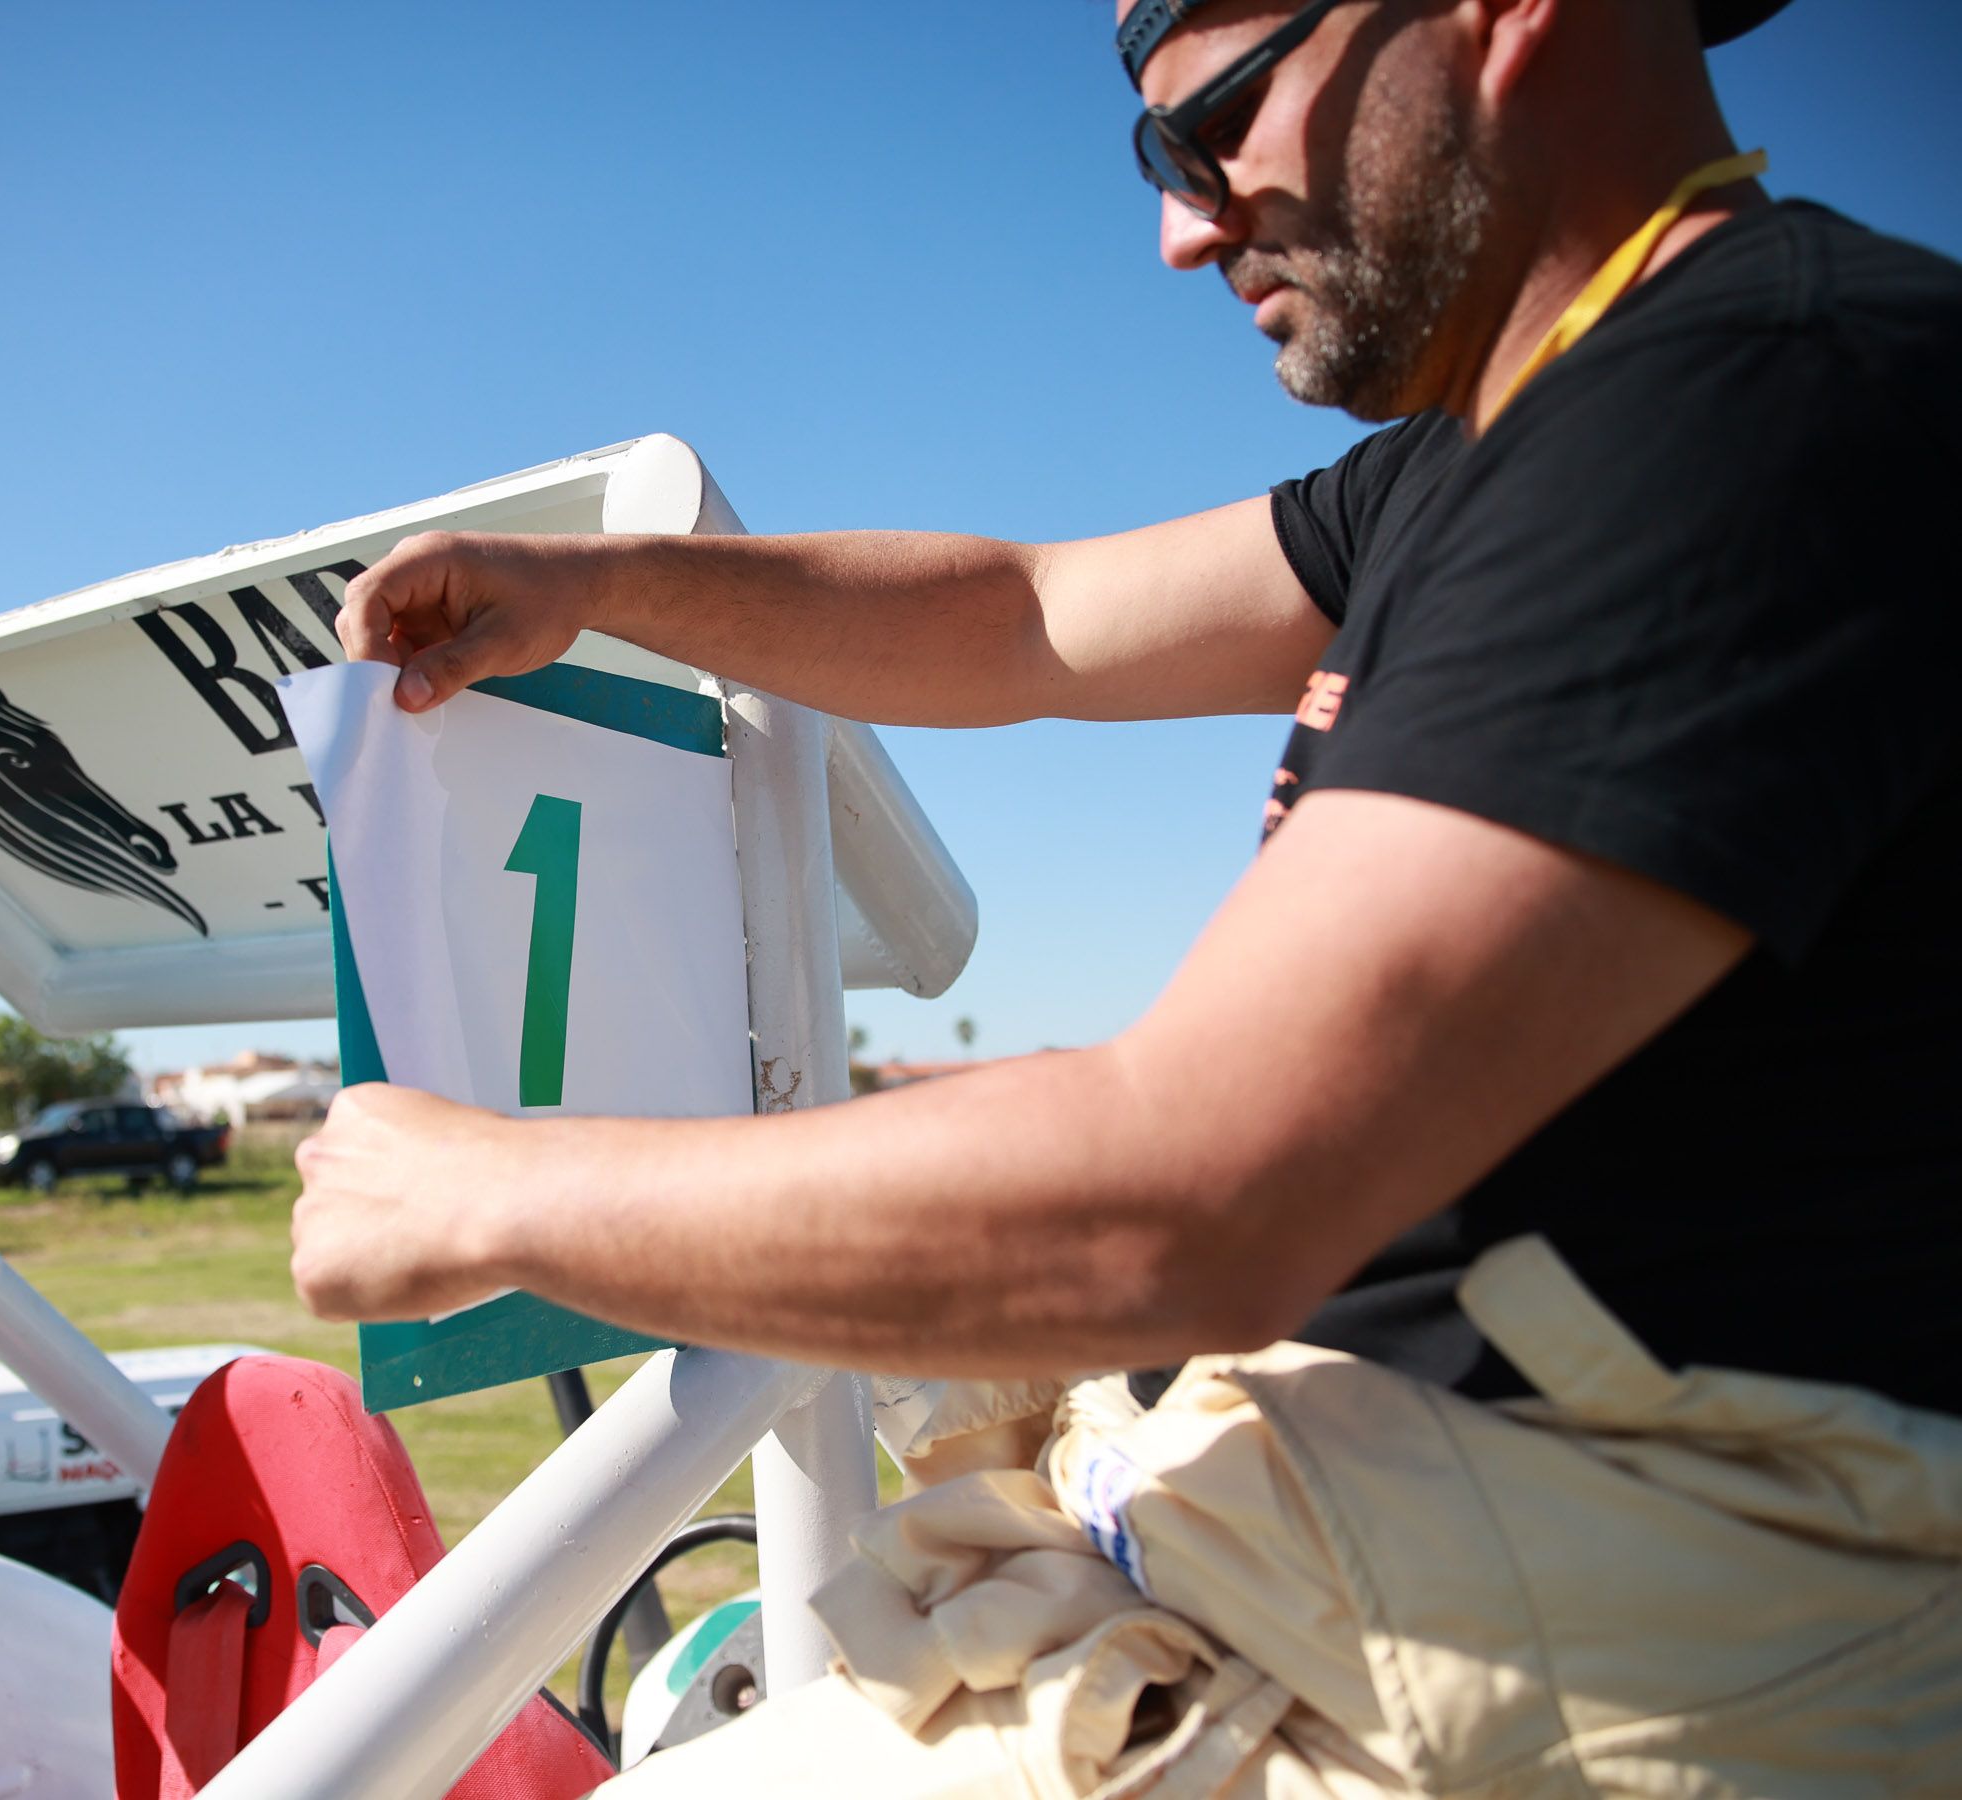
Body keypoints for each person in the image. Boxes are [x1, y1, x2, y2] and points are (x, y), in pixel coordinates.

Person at [291, 0, 1962, 1788]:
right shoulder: (1503, 443)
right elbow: (1026, 615)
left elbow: (1196, 1198)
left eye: (1221, 119)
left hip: (1559, 1652)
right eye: (1158, 152)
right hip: (1376, 1555)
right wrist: (607, 581)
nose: (1184, 222)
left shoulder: (1756, 402)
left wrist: (485, 1191)